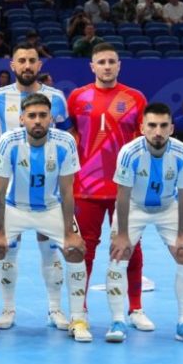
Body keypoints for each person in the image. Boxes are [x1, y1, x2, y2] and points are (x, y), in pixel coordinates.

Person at [0, 93, 89, 342]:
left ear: (51, 118)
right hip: (15, 207)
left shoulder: (65, 142)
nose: (38, 121)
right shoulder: (9, 141)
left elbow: (66, 190)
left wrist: (70, 232)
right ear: (21, 119)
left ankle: (73, 317)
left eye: (43, 115)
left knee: (75, 251)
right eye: (32, 116)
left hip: (51, 207)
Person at [0, 42, 70, 330]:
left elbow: (66, 137)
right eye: (22, 60)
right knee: (7, 250)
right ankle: (7, 309)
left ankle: (55, 310)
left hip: (48, 190)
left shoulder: (56, 98)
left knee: (50, 250)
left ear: (39, 65)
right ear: (13, 65)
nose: (28, 65)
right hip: (10, 191)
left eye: (33, 60)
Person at [66, 42, 153, 331]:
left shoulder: (136, 98)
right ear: (92, 66)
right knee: (84, 250)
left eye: (111, 61)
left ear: (119, 65)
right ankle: (80, 310)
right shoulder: (77, 98)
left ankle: (135, 308)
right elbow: (70, 139)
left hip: (124, 189)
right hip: (86, 187)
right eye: (101, 62)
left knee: (131, 248)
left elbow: (146, 141)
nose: (106, 66)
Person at [107, 103, 183, 344]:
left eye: (162, 126)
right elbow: (122, 195)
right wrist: (122, 234)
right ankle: (118, 320)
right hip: (135, 206)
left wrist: (182, 234)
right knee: (119, 254)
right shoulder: (129, 152)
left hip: (168, 207)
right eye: (152, 125)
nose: (157, 131)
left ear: (171, 128)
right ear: (142, 128)